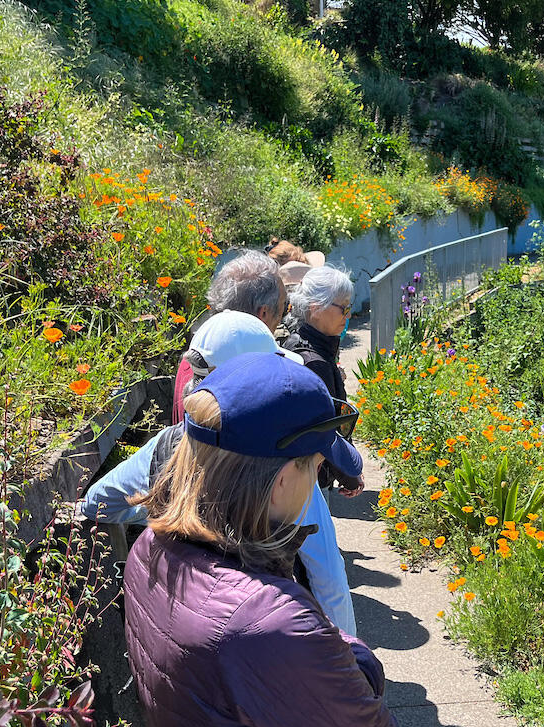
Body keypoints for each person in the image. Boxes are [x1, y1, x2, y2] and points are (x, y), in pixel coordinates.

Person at [123, 352, 402, 727]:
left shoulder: (149, 551)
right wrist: (358, 665)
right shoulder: (269, 626)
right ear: (281, 481)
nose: (316, 477)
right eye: (314, 463)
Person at [80, 310, 358, 634]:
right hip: (265, 634)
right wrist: (351, 657)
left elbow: (98, 502)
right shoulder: (282, 465)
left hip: (180, 630)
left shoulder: (167, 443)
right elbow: (329, 578)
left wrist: (168, 511)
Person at [172, 251, 288, 423]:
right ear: (264, 312)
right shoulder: (256, 379)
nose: (283, 317)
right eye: (284, 307)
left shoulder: (195, 358)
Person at [283, 266, 362, 498]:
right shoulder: (314, 362)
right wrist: (351, 475)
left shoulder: (296, 342)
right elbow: (326, 431)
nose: (348, 315)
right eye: (344, 308)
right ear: (317, 308)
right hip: (311, 482)